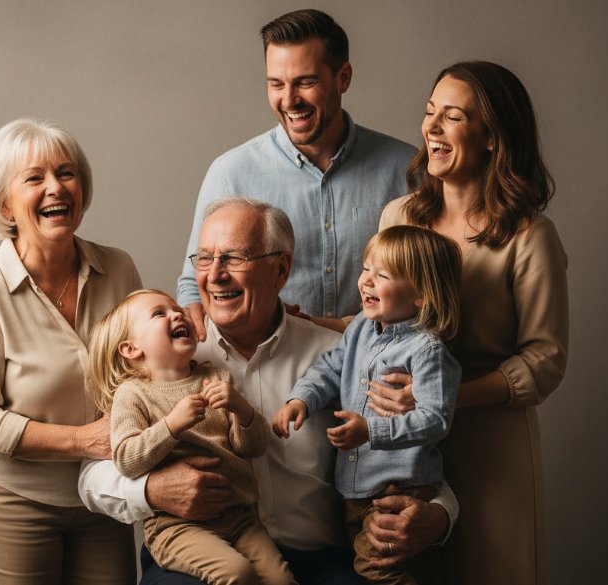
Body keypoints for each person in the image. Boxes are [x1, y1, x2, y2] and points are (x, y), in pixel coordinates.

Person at [80, 197, 459, 585]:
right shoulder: (167, 360)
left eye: (234, 258)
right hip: (198, 551)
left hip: (319, 559)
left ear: (280, 270)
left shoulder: (340, 354)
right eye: (205, 259)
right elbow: (91, 479)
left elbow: (413, 451)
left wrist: (439, 515)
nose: (215, 275)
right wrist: (151, 490)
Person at [379, 61, 569, 585]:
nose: (431, 129)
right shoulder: (400, 217)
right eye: (429, 113)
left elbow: (545, 361)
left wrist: (442, 396)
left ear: (491, 137)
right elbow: (377, 323)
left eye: (452, 116)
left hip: (491, 449)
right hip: (409, 446)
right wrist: (306, 323)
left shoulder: (530, 236)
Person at [0, 117, 141, 584]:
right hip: (10, 501)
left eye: (66, 173)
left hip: (103, 495)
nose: (56, 188)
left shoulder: (118, 268)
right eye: (34, 178)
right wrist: (82, 441)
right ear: (5, 204)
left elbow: (143, 371)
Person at [176, 8, 416, 334]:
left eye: (306, 82)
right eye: (276, 84)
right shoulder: (230, 173)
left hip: (379, 369)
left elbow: (431, 285)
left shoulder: (406, 169)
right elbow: (193, 285)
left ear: (343, 77)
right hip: (270, 371)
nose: (289, 100)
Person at [273, 225, 463, 585]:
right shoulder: (360, 326)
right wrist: (302, 398)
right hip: (354, 489)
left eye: (382, 275)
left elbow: (435, 419)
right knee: (362, 570)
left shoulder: (427, 351)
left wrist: (369, 430)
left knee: (376, 574)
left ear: (422, 294)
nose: (366, 282)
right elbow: (330, 366)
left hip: (398, 488)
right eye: (365, 269)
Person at [87, 289, 294, 584]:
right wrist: (171, 425)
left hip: (240, 518)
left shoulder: (218, 378)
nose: (177, 314)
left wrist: (242, 410)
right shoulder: (133, 395)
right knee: (238, 574)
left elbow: (253, 447)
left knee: (281, 580)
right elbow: (126, 459)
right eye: (160, 313)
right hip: (176, 527)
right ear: (131, 349)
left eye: (176, 309)